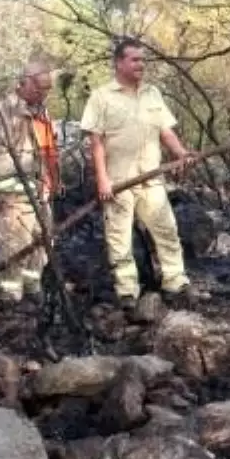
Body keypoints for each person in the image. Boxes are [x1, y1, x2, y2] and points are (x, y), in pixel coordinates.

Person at [79, 37, 200, 309]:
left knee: (167, 230)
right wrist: (102, 179)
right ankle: (127, 292)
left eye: (143, 60)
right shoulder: (101, 97)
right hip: (118, 182)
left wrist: (181, 153)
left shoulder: (152, 94)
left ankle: (175, 282)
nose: (141, 65)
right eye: (135, 59)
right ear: (119, 62)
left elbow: (165, 131)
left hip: (152, 178)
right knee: (119, 237)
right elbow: (96, 142)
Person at [0, 58, 61, 303]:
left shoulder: (42, 111)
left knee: (42, 242)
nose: (44, 93)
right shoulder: (6, 111)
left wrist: (52, 179)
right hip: (14, 196)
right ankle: (12, 298)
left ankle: (33, 288)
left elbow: (49, 149)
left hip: (40, 193)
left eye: (48, 88)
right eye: (40, 87)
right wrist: (27, 177)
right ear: (24, 83)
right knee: (15, 246)